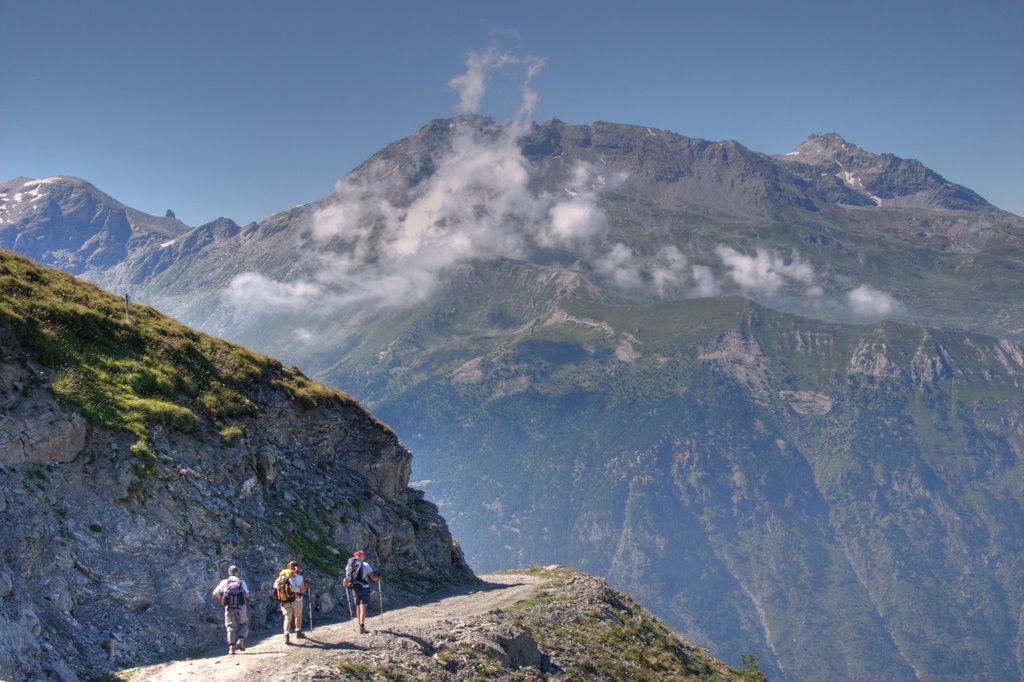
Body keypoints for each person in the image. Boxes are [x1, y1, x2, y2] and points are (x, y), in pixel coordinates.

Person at [211, 565, 250, 655]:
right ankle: (241, 640)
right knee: (243, 623)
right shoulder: (241, 582)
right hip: (241, 606)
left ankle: (231, 648)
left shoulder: (224, 582)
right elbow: (247, 594)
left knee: (231, 626)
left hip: (229, 607)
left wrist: (222, 600)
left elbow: (215, 593)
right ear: (237, 572)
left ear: (229, 572)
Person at [342, 550, 379, 634]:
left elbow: (346, 578)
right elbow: (372, 577)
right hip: (364, 588)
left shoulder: (349, 566)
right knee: (363, 608)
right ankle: (362, 627)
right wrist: (378, 578)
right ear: (361, 556)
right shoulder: (365, 565)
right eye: (363, 556)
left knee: (358, 607)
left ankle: (359, 624)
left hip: (354, 588)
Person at [276, 560, 308, 644]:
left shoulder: (281, 577)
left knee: (287, 618)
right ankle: (298, 632)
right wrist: (307, 583)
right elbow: (302, 590)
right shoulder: (299, 577)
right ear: (296, 568)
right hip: (296, 599)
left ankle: (286, 634)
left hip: (284, 600)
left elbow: (275, 588)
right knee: (298, 615)